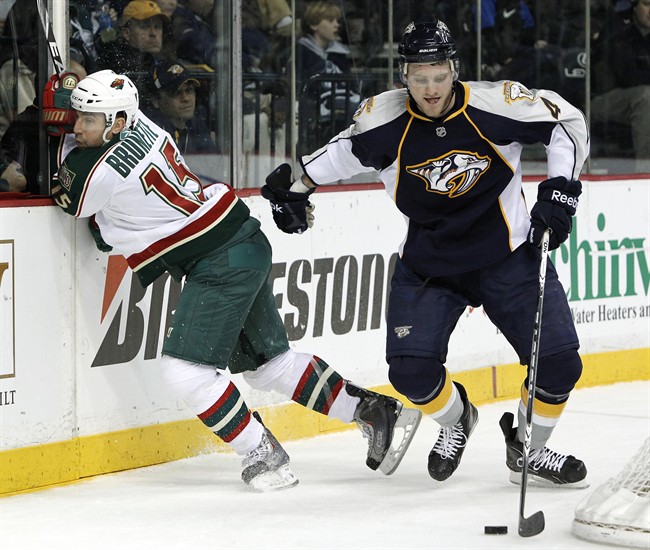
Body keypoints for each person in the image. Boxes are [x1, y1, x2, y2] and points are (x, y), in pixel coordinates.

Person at [47, 69, 422, 491]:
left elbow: (70, 200)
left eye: (88, 120)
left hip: (218, 259)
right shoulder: (143, 124)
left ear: (117, 123)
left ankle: (262, 454)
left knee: (184, 372)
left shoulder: (102, 170)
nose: (78, 127)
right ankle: (373, 411)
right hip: (242, 239)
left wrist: (51, 124)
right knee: (269, 366)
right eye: (76, 117)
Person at [262, 19, 591, 488]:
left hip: (508, 255)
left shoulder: (496, 104)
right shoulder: (384, 121)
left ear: (454, 69)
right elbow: (340, 155)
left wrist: (560, 191)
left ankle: (528, 448)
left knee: (559, 362)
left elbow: (567, 121)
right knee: (412, 375)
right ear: (403, 76)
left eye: (439, 74)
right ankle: (457, 420)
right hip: (430, 266)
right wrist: (295, 191)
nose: (431, 88)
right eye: (419, 77)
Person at [295, 1, 361, 151]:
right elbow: (299, 84)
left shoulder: (339, 54)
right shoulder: (301, 52)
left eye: (337, 21)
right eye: (331, 21)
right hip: (317, 105)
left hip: (341, 101)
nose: (336, 25)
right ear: (314, 25)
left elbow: (350, 84)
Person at [591, 0, 650, 161]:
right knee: (646, 97)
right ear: (634, 7)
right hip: (602, 100)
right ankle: (645, 170)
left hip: (632, 97)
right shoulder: (618, 29)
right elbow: (627, 77)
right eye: (647, 4)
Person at [143, 60, 217, 154]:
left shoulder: (196, 125)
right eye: (176, 92)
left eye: (189, 90)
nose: (186, 98)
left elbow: (212, 163)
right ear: (156, 101)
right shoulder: (150, 132)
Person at [98, 0, 170, 88]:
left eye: (157, 26)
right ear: (127, 33)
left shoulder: (161, 61)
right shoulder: (115, 64)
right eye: (145, 26)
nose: (153, 33)